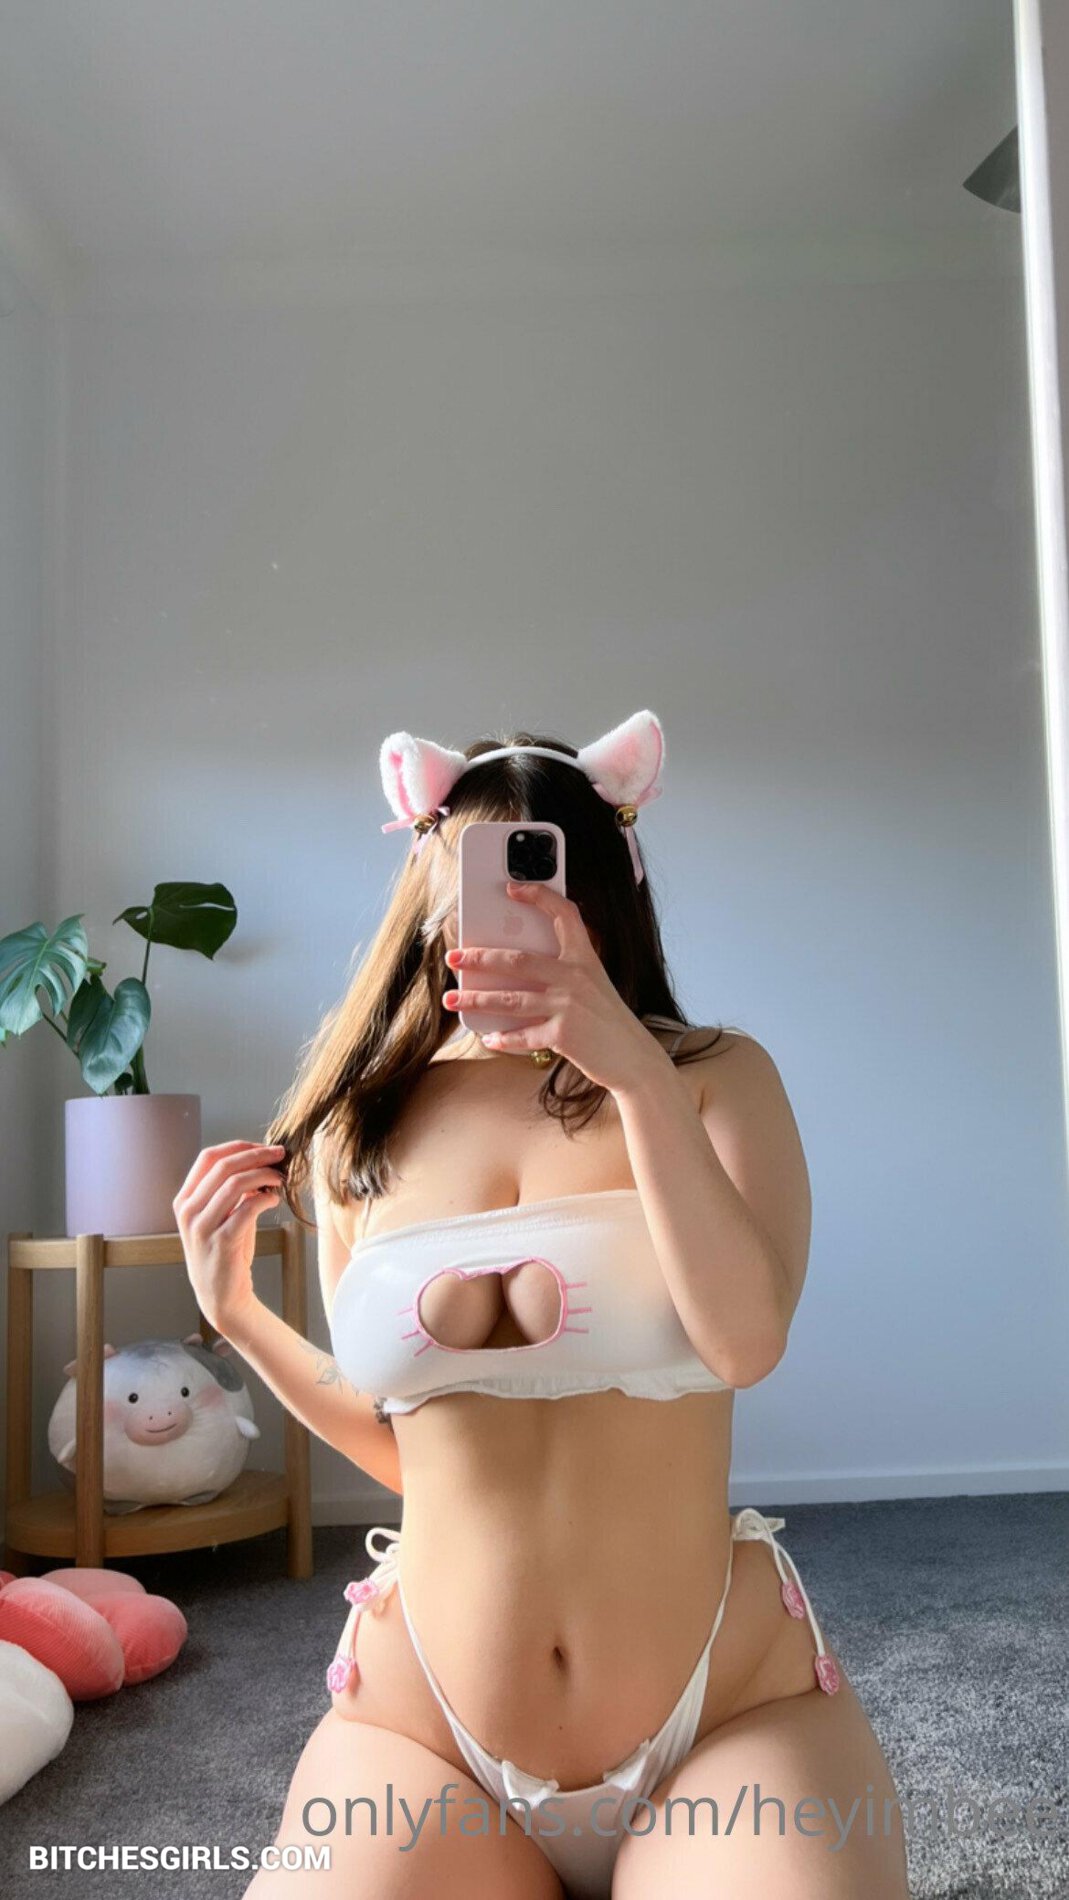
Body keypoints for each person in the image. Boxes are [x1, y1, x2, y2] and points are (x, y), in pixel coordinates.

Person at [175, 710, 911, 1899]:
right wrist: (240, 1315)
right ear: (430, 889)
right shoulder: (363, 1123)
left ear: (605, 892)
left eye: (540, 875)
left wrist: (634, 1073)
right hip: (427, 1731)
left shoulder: (714, 1079)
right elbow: (410, 1451)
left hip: (720, 1711)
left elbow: (744, 1340)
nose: (505, 910)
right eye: (478, 873)